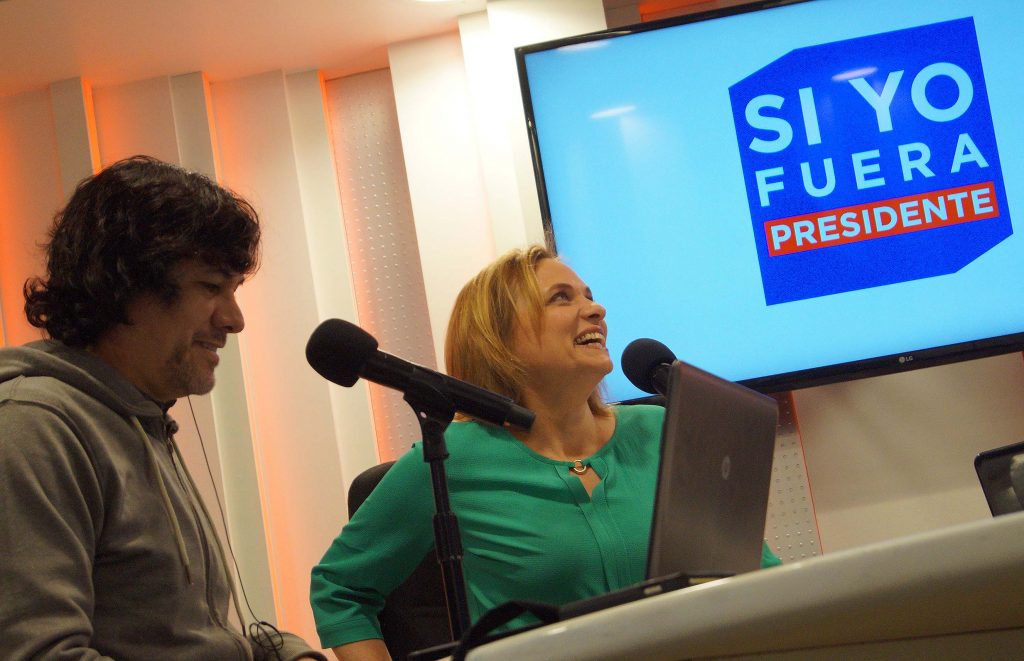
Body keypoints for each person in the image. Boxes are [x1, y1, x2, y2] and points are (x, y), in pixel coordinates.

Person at [309, 245, 781, 660]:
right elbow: (339, 588)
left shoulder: (663, 429)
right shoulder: (449, 459)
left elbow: (755, 574)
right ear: (499, 339)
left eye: (590, 296)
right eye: (562, 298)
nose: (596, 309)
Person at [0, 156, 326, 660]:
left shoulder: (142, 420)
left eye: (233, 291)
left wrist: (288, 654)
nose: (235, 320)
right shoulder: (33, 429)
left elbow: (195, 641)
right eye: (212, 287)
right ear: (126, 286)